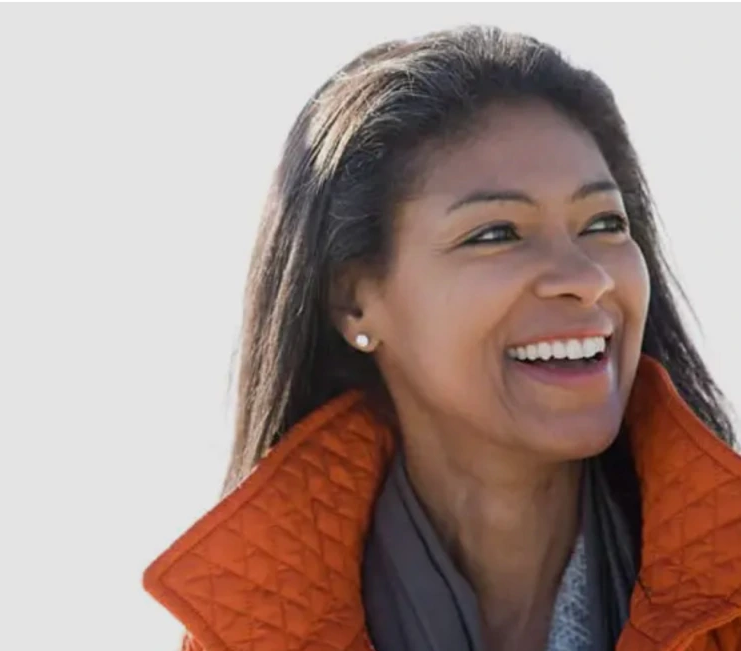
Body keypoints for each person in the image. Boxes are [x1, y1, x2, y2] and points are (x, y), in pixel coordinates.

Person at [143, 26, 741, 651]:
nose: (586, 279)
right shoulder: (243, 633)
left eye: (603, 223)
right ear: (354, 301)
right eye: (496, 233)